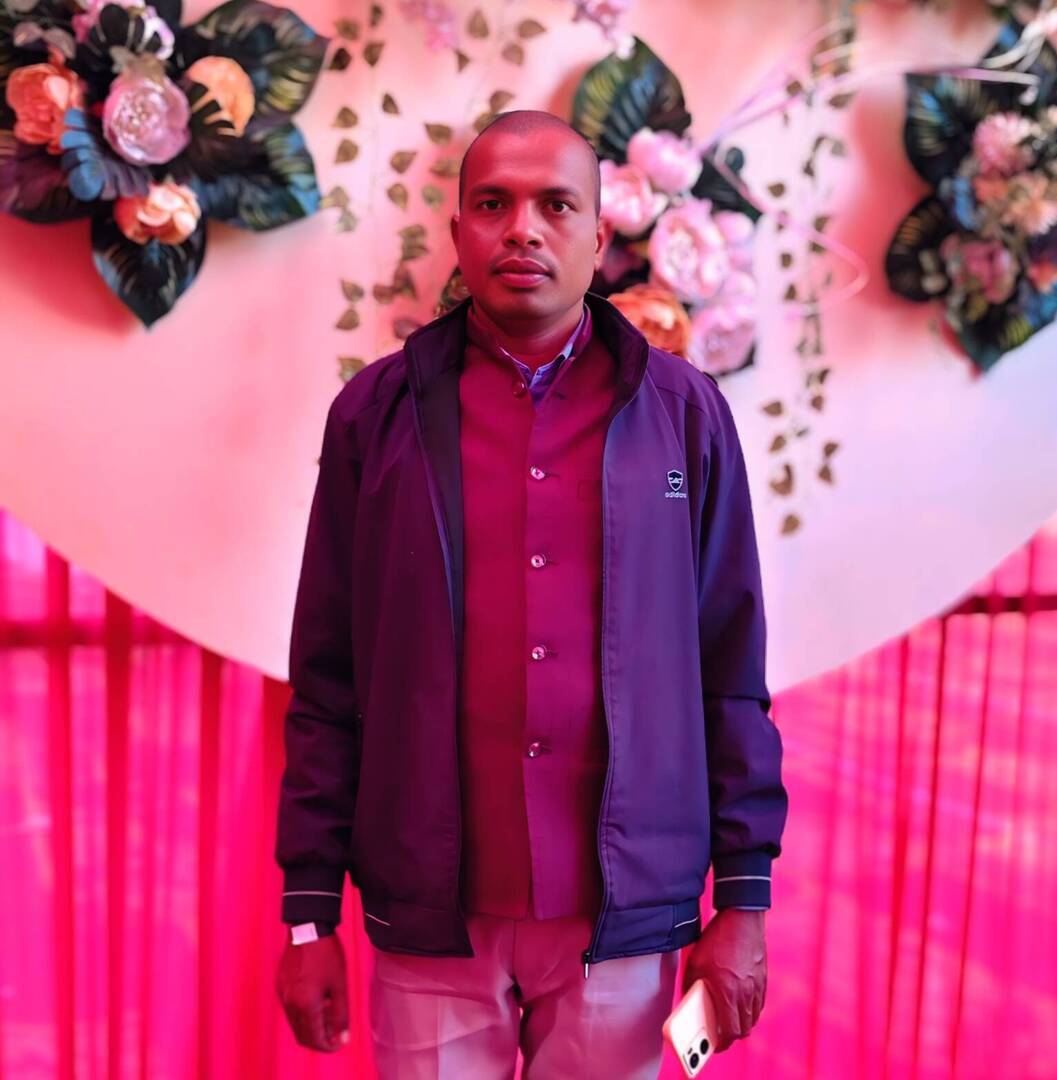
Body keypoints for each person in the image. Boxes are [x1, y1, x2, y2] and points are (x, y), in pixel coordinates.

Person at [273, 109, 788, 1078]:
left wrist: (743, 902)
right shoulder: (376, 417)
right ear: (458, 230)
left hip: (624, 919)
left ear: (599, 232)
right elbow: (329, 678)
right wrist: (308, 917)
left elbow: (730, 672)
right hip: (431, 915)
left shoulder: (683, 416)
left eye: (556, 205)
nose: (523, 229)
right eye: (493, 204)